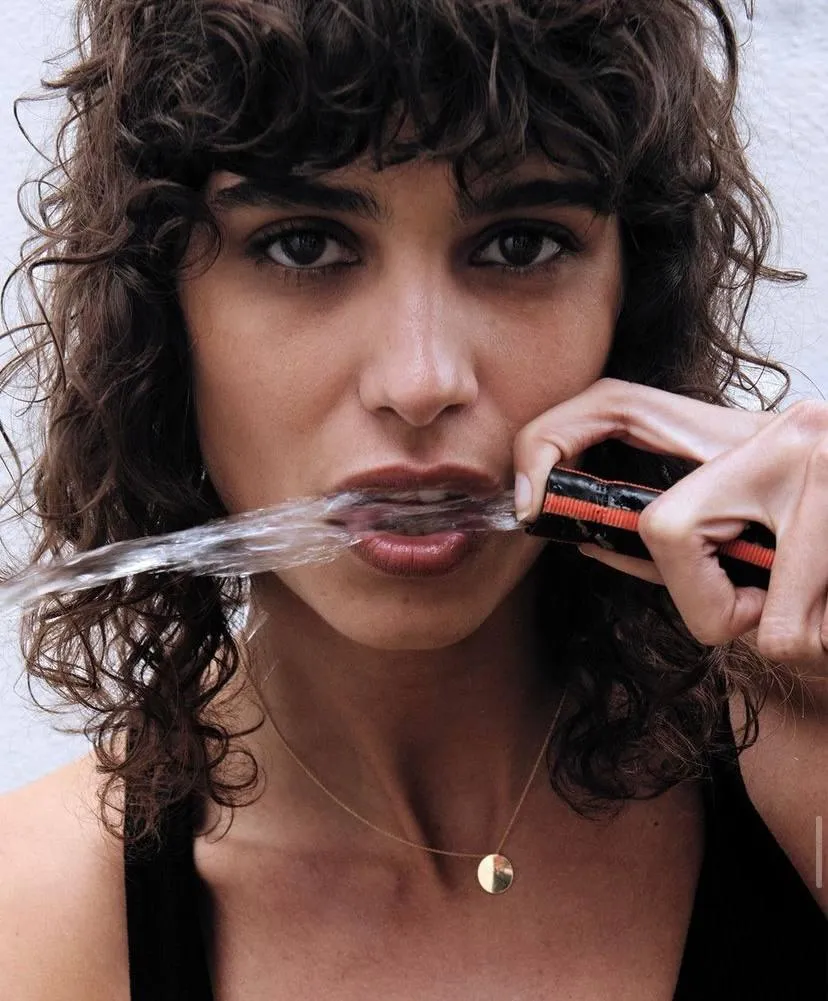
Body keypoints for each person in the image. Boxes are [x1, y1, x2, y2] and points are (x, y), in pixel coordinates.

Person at [0, 0, 825, 998]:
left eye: (518, 246)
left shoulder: (798, 767)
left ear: (632, 296)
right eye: (305, 246)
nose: (422, 378)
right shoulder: (37, 914)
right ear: (165, 313)